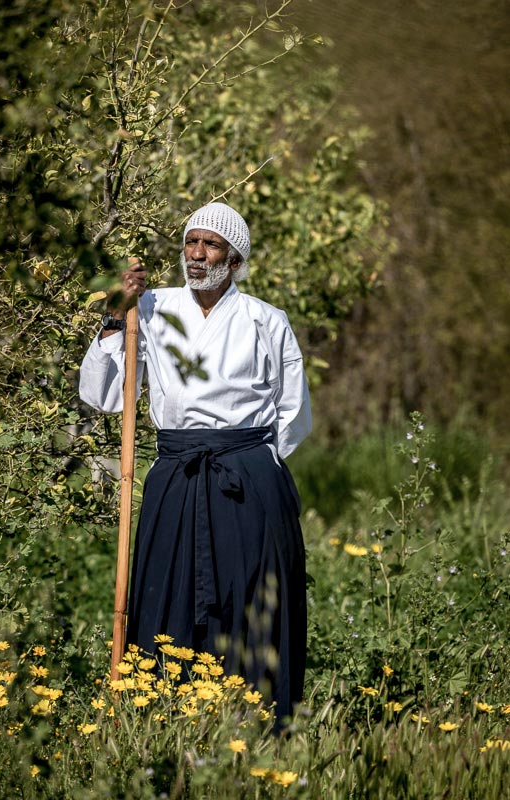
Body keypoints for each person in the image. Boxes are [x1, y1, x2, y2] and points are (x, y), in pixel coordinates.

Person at [79, 202, 312, 724]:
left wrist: (259, 467)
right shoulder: (152, 308)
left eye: (209, 245)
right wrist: (117, 315)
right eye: (190, 243)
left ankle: (251, 721)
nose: (197, 255)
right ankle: (163, 717)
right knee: (169, 592)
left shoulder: (265, 320)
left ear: (234, 256)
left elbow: (293, 413)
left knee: (250, 594)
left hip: (247, 474)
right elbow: (102, 395)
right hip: (177, 474)